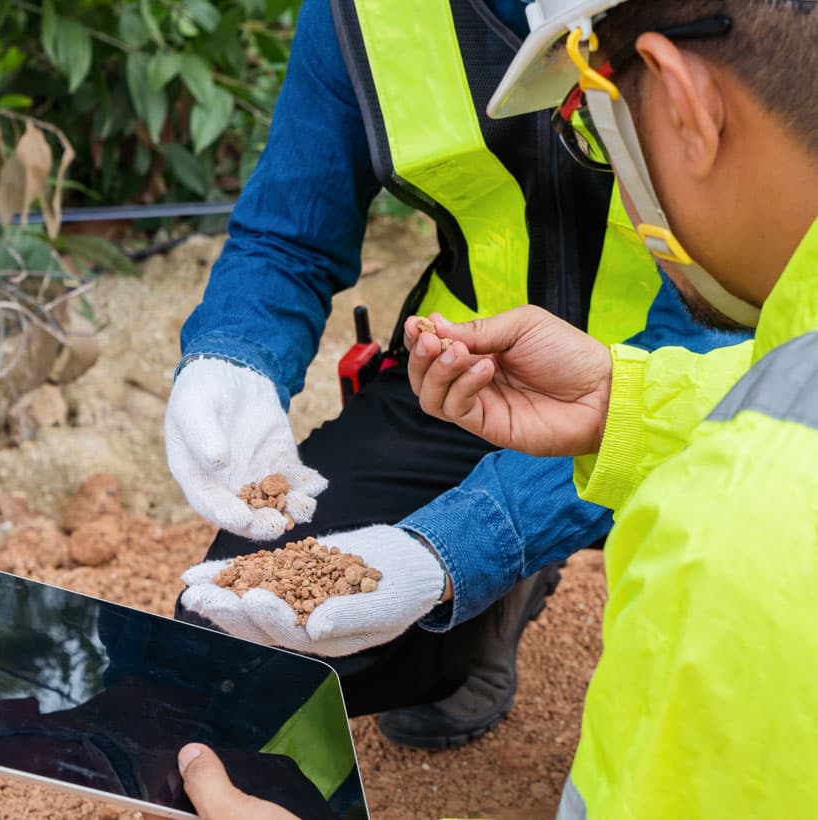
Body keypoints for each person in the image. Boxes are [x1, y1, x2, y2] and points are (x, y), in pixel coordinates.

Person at [166, 0, 746, 751]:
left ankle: (502, 566)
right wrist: (233, 356)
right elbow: (290, 232)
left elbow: (718, 330)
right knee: (242, 641)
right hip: (465, 380)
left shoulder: (734, 21)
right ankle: (477, 622)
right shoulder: (358, 13)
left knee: (738, 661)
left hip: (699, 375)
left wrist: (458, 544)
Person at [404, 0, 818, 816]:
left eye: (598, 134)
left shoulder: (738, 538)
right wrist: (625, 401)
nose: (632, 208)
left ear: (683, 103)